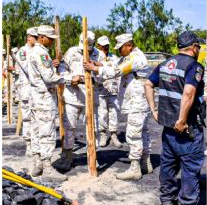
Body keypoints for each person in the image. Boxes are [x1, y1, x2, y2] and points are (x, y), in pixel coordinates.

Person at [144, 31, 206, 205]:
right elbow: (188, 93)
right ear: (193, 47)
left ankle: (167, 199)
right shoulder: (194, 66)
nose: (200, 50)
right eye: (199, 47)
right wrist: (182, 120)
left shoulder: (165, 64)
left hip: (168, 126)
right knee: (190, 165)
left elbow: (147, 84)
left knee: (168, 162)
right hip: (186, 127)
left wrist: (154, 110)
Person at [84, 33, 152, 181]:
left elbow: (116, 71)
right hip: (137, 102)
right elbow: (115, 65)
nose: (119, 51)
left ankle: (135, 168)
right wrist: (100, 65)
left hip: (137, 102)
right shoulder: (128, 57)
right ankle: (146, 162)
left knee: (133, 134)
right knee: (143, 132)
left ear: (129, 45)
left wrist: (95, 69)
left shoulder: (136, 58)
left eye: (121, 48)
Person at [57, 31, 105, 171]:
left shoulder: (99, 55)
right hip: (73, 97)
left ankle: (92, 156)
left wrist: (92, 76)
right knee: (69, 127)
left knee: (93, 128)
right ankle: (67, 156)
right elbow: (62, 68)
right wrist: (72, 78)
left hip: (91, 97)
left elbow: (104, 75)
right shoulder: (72, 52)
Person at [28, 25, 69, 181]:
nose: (52, 42)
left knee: (37, 131)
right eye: (51, 39)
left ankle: (38, 164)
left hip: (36, 98)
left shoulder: (34, 52)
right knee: (47, 132)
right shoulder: (41, 54)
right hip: (44, 98)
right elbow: (50, 77)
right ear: (43, 38)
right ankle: (47, 167)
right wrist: (70, 79)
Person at [12, 27, 38, 156]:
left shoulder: (38, 50)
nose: (38, 39)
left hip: (37, 90)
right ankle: (29, 143)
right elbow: (26, 69)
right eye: (35, 37)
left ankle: (37, 142)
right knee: (27, 117)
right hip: (27, 89)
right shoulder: (23, 52)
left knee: (37, 117)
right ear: (29, 37)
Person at [96, 36, 122, 147]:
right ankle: (103, 135)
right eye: (103, 46)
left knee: (114, 113)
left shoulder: (114, 58)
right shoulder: (95, 58)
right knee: (102, 114)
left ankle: (114, 135)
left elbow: (118, 69)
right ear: (98, 46)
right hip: (100, 90)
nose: (106, 48)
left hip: (113, 90)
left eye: (107, 46)